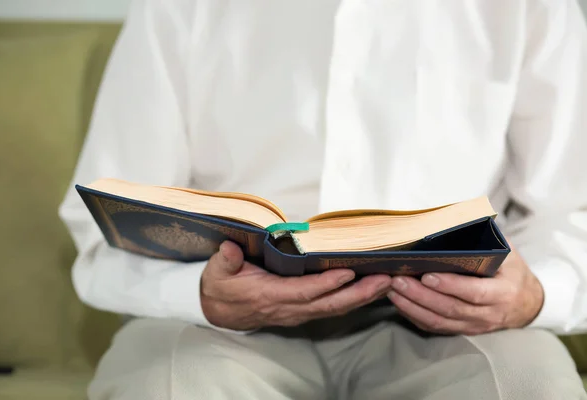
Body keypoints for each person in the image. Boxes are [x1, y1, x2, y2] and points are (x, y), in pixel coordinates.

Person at [59, 0, 587, 399]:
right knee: (163, 386)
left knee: (530, 386)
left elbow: (572, 205)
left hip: (452, 328)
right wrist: (198, 294)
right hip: (215, 329)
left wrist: (535, 296)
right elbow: (106, 216)